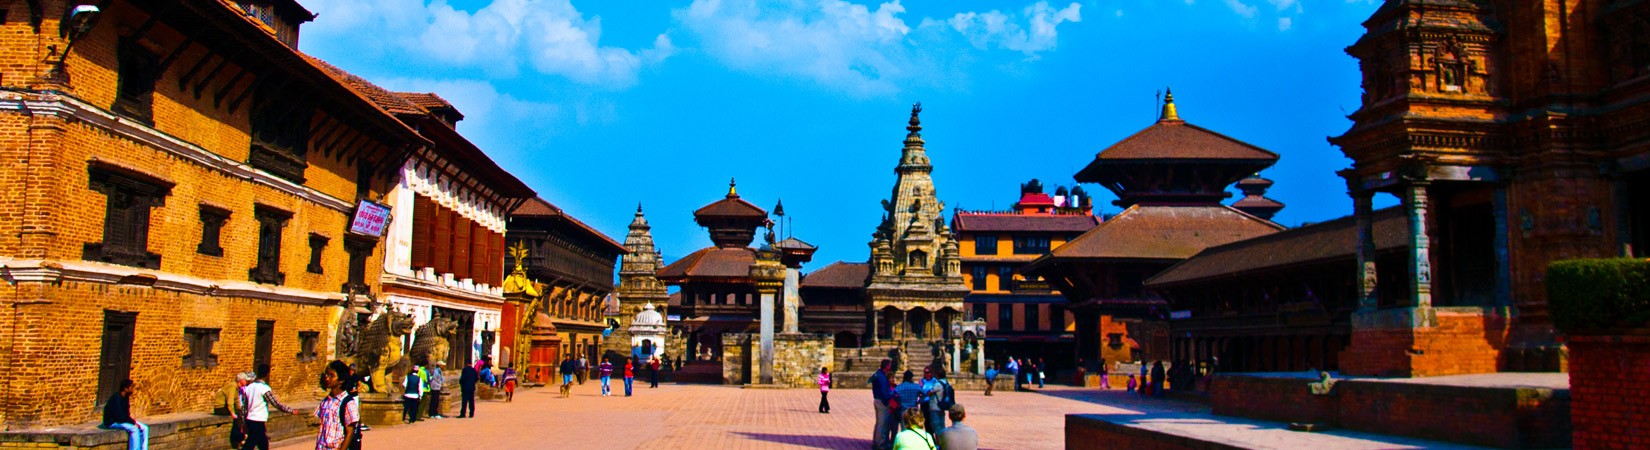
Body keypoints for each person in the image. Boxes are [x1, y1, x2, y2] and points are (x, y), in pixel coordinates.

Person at [241, 364, 298, 450]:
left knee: (262, 443)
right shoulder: (264, 388)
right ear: (267, 374)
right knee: (251, 443)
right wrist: (290, 410)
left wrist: (243, 421)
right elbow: (275, 403)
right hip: (258, 419)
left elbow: (244, 407)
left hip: (250, 419)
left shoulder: (249, 387)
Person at [315, 361, 360, 450]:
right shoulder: (325, 402)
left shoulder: (347, 403)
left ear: (341, 380)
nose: (327, 378)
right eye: (326, 375)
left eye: (331, 376)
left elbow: (349, 433)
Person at [102, 380, 148, 450]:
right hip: (113, 422)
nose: (132, 390)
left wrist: (133, 422)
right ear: (125, 389)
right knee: (134, 429)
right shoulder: (116, 399)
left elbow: (126, 415)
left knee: (145, 428)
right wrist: (132, 423)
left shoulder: (126, 398)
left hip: (122, 420)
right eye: (131, 387)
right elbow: (119, 417)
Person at [869, 359, 895, 450]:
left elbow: (870, 381)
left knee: (878, 423)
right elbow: (885, 393)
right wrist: (890, 397)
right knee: (882, 424)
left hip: (877, 399)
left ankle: (876, 442)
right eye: (889, 365)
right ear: (886, 366)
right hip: (882, 402)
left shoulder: (877, 374)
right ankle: (880, 444)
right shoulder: (882, 377)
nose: (890, 367)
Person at [226, 372, 254, 448]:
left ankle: (241, 438)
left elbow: (237, 401)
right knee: (239, 420)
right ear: (241, 380)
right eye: (246, 380)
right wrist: (232, 413)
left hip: (238, 408)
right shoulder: (234, 386)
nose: (247, 382)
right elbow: (230, 401)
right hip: (224, 408)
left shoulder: (239, 387)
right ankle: (238, 440)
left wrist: (239, 410)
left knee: (241, 418)